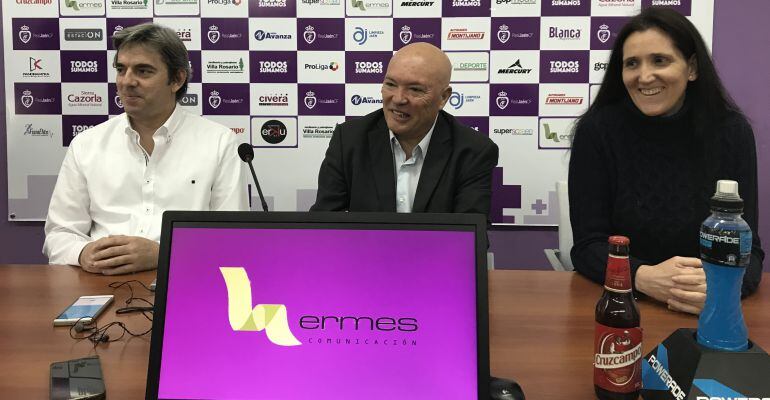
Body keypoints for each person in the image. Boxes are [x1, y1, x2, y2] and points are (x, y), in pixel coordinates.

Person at [569, 8, 764, 315]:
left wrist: (724, 290)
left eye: (660, 60)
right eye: (632, 63)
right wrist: (641, 277)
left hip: (707, 308)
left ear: (692, 68)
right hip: (625, 305)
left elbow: (749, 250)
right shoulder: (597, 131)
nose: (644, 76)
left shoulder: (731, 132)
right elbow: (587, 247)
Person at [43, 23, 248, 275]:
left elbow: (232, 239)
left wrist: (163, 254)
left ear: (177, 79)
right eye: (121, 69)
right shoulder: (86, 144)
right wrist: (83, 253)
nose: (127, 81)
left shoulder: (219, 142)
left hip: (185, 280)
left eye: (143, 71)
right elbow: (60, 233)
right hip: (97, 284)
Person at [310, 42, 499, 217]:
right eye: (391, 84)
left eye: (415, 89)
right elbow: (323, 224)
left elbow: (470, 236)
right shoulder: (349, 140)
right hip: (366, 253)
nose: (399, 99)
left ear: (443, 97)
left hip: (435, 254)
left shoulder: (473, 151)